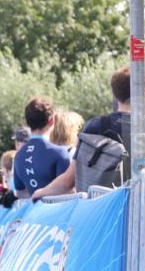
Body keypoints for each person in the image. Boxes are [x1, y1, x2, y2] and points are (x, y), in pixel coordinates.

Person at [33, 66, 138, 200]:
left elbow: (68, 180)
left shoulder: (96, 126)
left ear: (115, 94)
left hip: (103, 209)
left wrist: (39, 193)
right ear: (144, 91)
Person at [12, 96, 72, 199]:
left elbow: (21, 194)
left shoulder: (18, 156)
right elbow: (68, 193)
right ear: (52, 121)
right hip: (58, 214)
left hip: (34, 214)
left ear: (28, 123)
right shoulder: (60, 153)